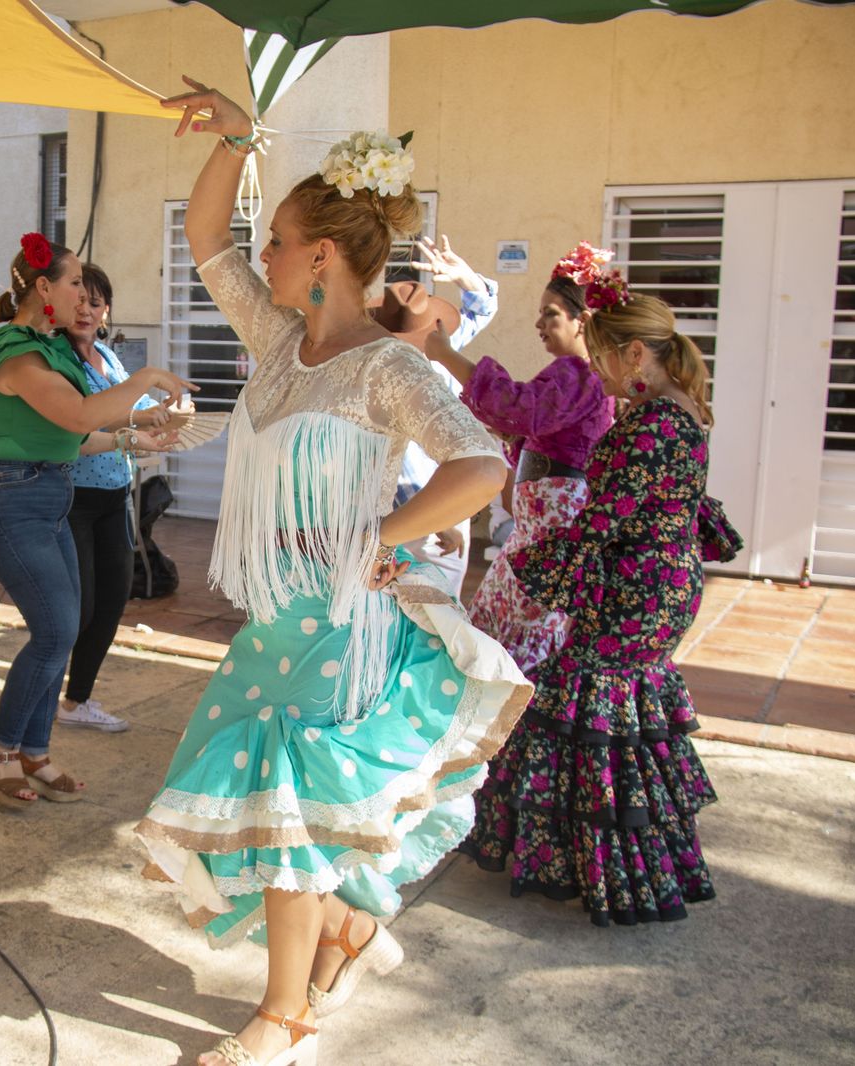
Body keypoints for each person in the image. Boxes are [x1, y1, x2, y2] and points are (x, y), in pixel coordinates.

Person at [135, 80, 531, 1066]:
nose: (258, 256)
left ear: (319, 254)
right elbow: (204, 240)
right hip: (278, 619)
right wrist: (236, 136)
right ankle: (345, 937)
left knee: (292, 812)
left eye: (275, 239)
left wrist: (384, 539)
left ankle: (285, 1019)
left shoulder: (387, 368)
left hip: (342, 624)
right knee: (285, 810)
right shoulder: (279, 341)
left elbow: (482, 465)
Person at [461, 288, 741, 926]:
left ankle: (618, 874)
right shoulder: (682, 412)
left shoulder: (650, 423)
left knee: (590, 715)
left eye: (607, 357)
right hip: (663, 584)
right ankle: (630, 863)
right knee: (624, 719)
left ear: (636, 353)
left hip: (633, 590)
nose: (601, 371)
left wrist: (539, 566)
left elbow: (603, 520)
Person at [0, 232, 191, 811]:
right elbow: (78, 411)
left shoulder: (52, 351)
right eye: (73, 283)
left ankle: (34, 752)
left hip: (47, 494)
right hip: (8, 499)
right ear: (44, 288)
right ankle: (2, 746)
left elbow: (76, 434)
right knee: (57, 631)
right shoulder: (17, 352)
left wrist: (136, 434)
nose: (82, 297)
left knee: (63, 628)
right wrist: (145, 381)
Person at [422, 242, 618, 676]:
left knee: (516, 635)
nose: (539, 323)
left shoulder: (579, 374)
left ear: (581, 321)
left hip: (547, 540)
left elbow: (519, 409)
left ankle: (509, 719)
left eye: (551, 313)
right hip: (535, 536)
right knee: (500, 623)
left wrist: (445, 354)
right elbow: (524, 424)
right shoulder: (577, 377)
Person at [56, 262, 161, 734]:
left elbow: (135, 412)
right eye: (78, 301)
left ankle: (77, 700)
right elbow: (80, 425)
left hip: (115, 493)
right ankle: (40, 693)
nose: (85, 311)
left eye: (94, 304)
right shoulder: (56, 359)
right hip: (72, 495)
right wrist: (134, 429)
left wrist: (168, 416)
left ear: (106, 311)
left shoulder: (108, 357)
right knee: (78, 605)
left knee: (113, 599)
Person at [375, 236, 500, 599]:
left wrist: (465, 277)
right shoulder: (403, 371)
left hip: (435, 504)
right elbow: (399, 458)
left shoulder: (441, 351)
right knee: (427, 611)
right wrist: (439, 518)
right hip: (416, 511)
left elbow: (481, 308)